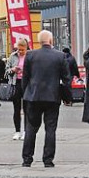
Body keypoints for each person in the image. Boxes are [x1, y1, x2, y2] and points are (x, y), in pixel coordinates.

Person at [20, 30, 71, 168]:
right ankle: (48, 160)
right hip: (52, 97)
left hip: (33, 96)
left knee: (31, 128)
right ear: (51, 40)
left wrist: (25, 94)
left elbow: (25, 77)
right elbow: (66, 79)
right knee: (50, 129)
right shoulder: (60, 56)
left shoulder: (30, 55)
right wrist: (66, 97)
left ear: (39, 41)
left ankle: (27, 159)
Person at [5, 38, 29, 140]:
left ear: (26, 48)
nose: (20, 52)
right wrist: (13, 70)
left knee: (27, 109)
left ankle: (26, 131)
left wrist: (26, 71)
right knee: (16, 108)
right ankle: (17, 131)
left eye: (22, 50)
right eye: (19, 49)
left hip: (28, 83)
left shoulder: (30, 56)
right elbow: (6, 71)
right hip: (16, 83)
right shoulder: (13, 56)